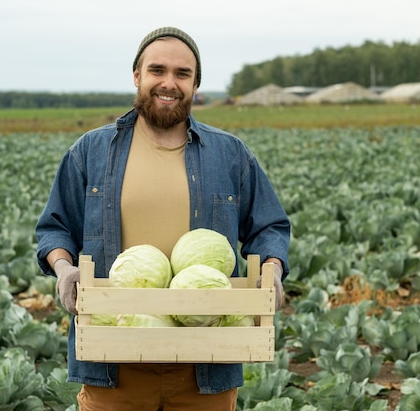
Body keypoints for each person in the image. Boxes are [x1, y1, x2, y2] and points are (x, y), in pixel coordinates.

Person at [35, 26, 291, 411]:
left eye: (182, 74)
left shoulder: (230, 154)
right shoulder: (91, 151)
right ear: (137, 76)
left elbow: (269, 226)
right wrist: (64, 268)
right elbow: (55, 228)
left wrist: (272, 268)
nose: (168, 83)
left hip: (205, 362)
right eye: (157, 70)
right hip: (113, 361)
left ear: (195, 84)